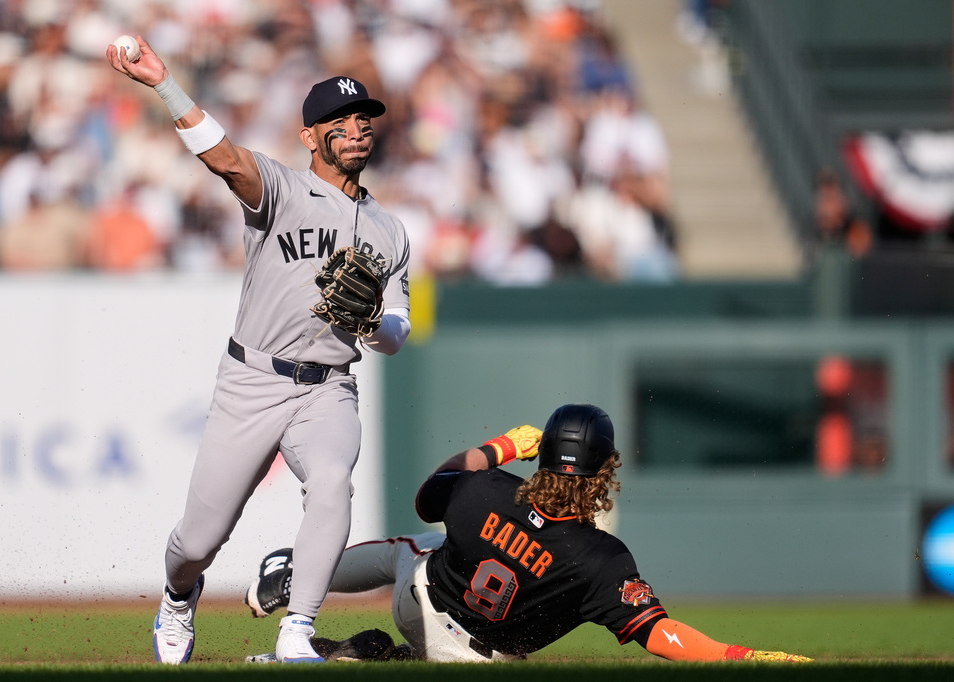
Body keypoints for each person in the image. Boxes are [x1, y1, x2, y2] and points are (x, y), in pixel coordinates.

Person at [106, 36, 412, 665]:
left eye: (364, 121)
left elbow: (398, 333)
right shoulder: (281, 188)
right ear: (310, 137)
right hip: (253, 379)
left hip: (328, 385)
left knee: (332, 483)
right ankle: (177, 595)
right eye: (339, 122)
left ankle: (298, 629)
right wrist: (166, 84)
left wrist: (375, 323)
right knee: (199, 539)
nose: (356, 130)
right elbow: (223, 158)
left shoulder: (391, 229)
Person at [244, 404, 812, 664]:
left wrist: (501, 449)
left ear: (543, 454)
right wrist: (744, 655)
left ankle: (299, 583)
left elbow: (431, 491)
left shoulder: (486, 489)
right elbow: (663, 637)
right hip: (475, 662)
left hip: (413, 601)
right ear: (605, 470)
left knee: (411, 545)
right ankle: (364, 656)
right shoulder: (602, 560)